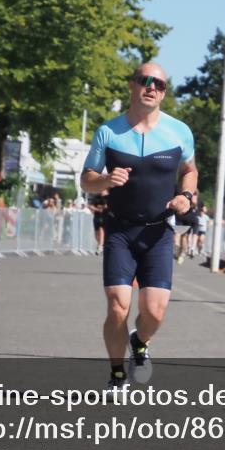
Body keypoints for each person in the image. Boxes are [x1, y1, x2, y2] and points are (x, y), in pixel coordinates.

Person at [80, 63, 197, 389]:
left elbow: (190, 170)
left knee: (155, 312)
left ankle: (140, 342)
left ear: (164, 92)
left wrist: (186, 196)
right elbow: (86, 179)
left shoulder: (179, 132)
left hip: (158, 233)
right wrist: (105, 179)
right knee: (118, 306)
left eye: (159, 83)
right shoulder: (109, 132)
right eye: (145, 81)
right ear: (132, 85)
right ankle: (117, 374)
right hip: (120, 230)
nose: (151, 87)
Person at [88, 190, 109, 254]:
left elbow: (107, 206)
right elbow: (90, 206)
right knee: (96, 233)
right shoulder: (96, 197)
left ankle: (100, 246)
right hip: (97, 216)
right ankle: (100, 244)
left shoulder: (108, 196)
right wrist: (97, 209)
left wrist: (103, 207)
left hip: (104, 217)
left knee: (101, 229)